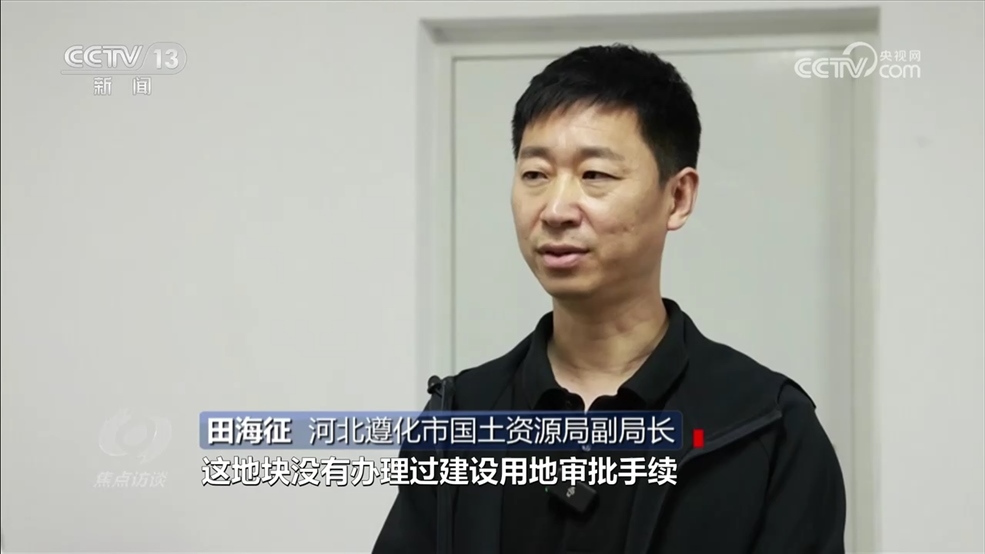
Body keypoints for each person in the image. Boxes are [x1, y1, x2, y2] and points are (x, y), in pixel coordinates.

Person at [373, 44, 846, 554]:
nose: (556, 209)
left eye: (594, 175)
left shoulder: (766, 426)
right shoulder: (460, 417)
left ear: (678, 197)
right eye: (535, 175)